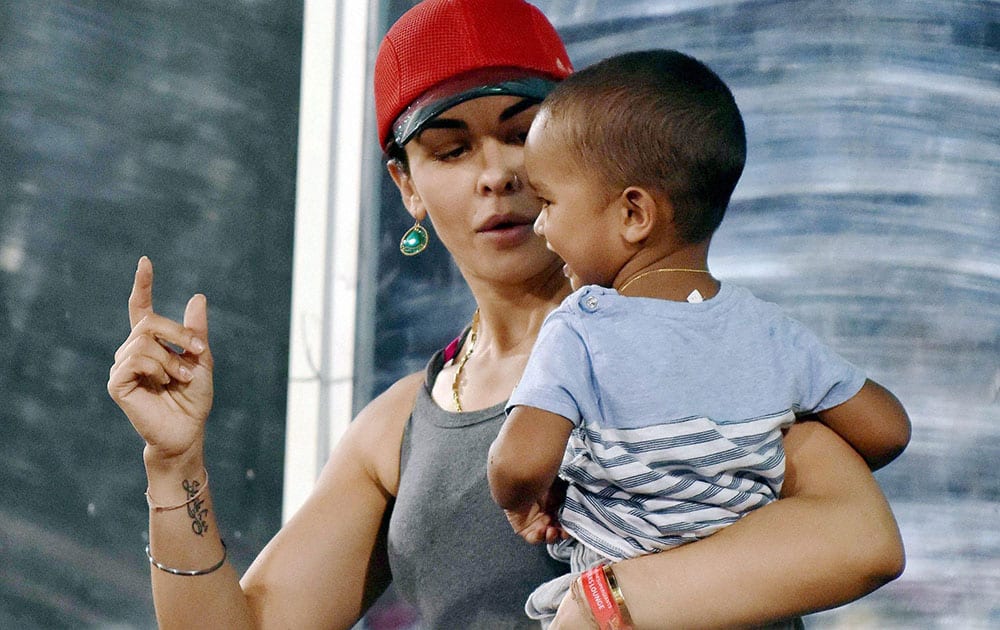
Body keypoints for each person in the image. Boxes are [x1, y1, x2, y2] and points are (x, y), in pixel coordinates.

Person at [106, 1, 909, 628]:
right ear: (407, 186)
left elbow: (858, 539)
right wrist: (176, 467)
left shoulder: (692, 340)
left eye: (522, 133)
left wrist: (610, 600)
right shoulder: (397, 431)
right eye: (451, 150)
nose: (496, 174)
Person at [486, 48, 911, 628]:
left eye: (548, 203)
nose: (540, 226)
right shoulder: (771, 332)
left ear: (633, 214)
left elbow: (518, 459)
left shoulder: (582, 326)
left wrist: (524, 503)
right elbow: (888, 429)